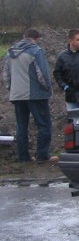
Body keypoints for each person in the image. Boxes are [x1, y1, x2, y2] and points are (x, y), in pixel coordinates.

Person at [1, 28, 56, 163]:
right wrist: (48, 90)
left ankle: (24, 157)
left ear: (24, 36)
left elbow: (5, 76)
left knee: (21, 126)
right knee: (43, 125)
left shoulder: (10, 53)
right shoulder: (36, 51)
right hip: (35, 95)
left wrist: (11, 91)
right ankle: (42, 156)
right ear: (36, 38)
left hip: (17, 95)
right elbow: (42, 75)